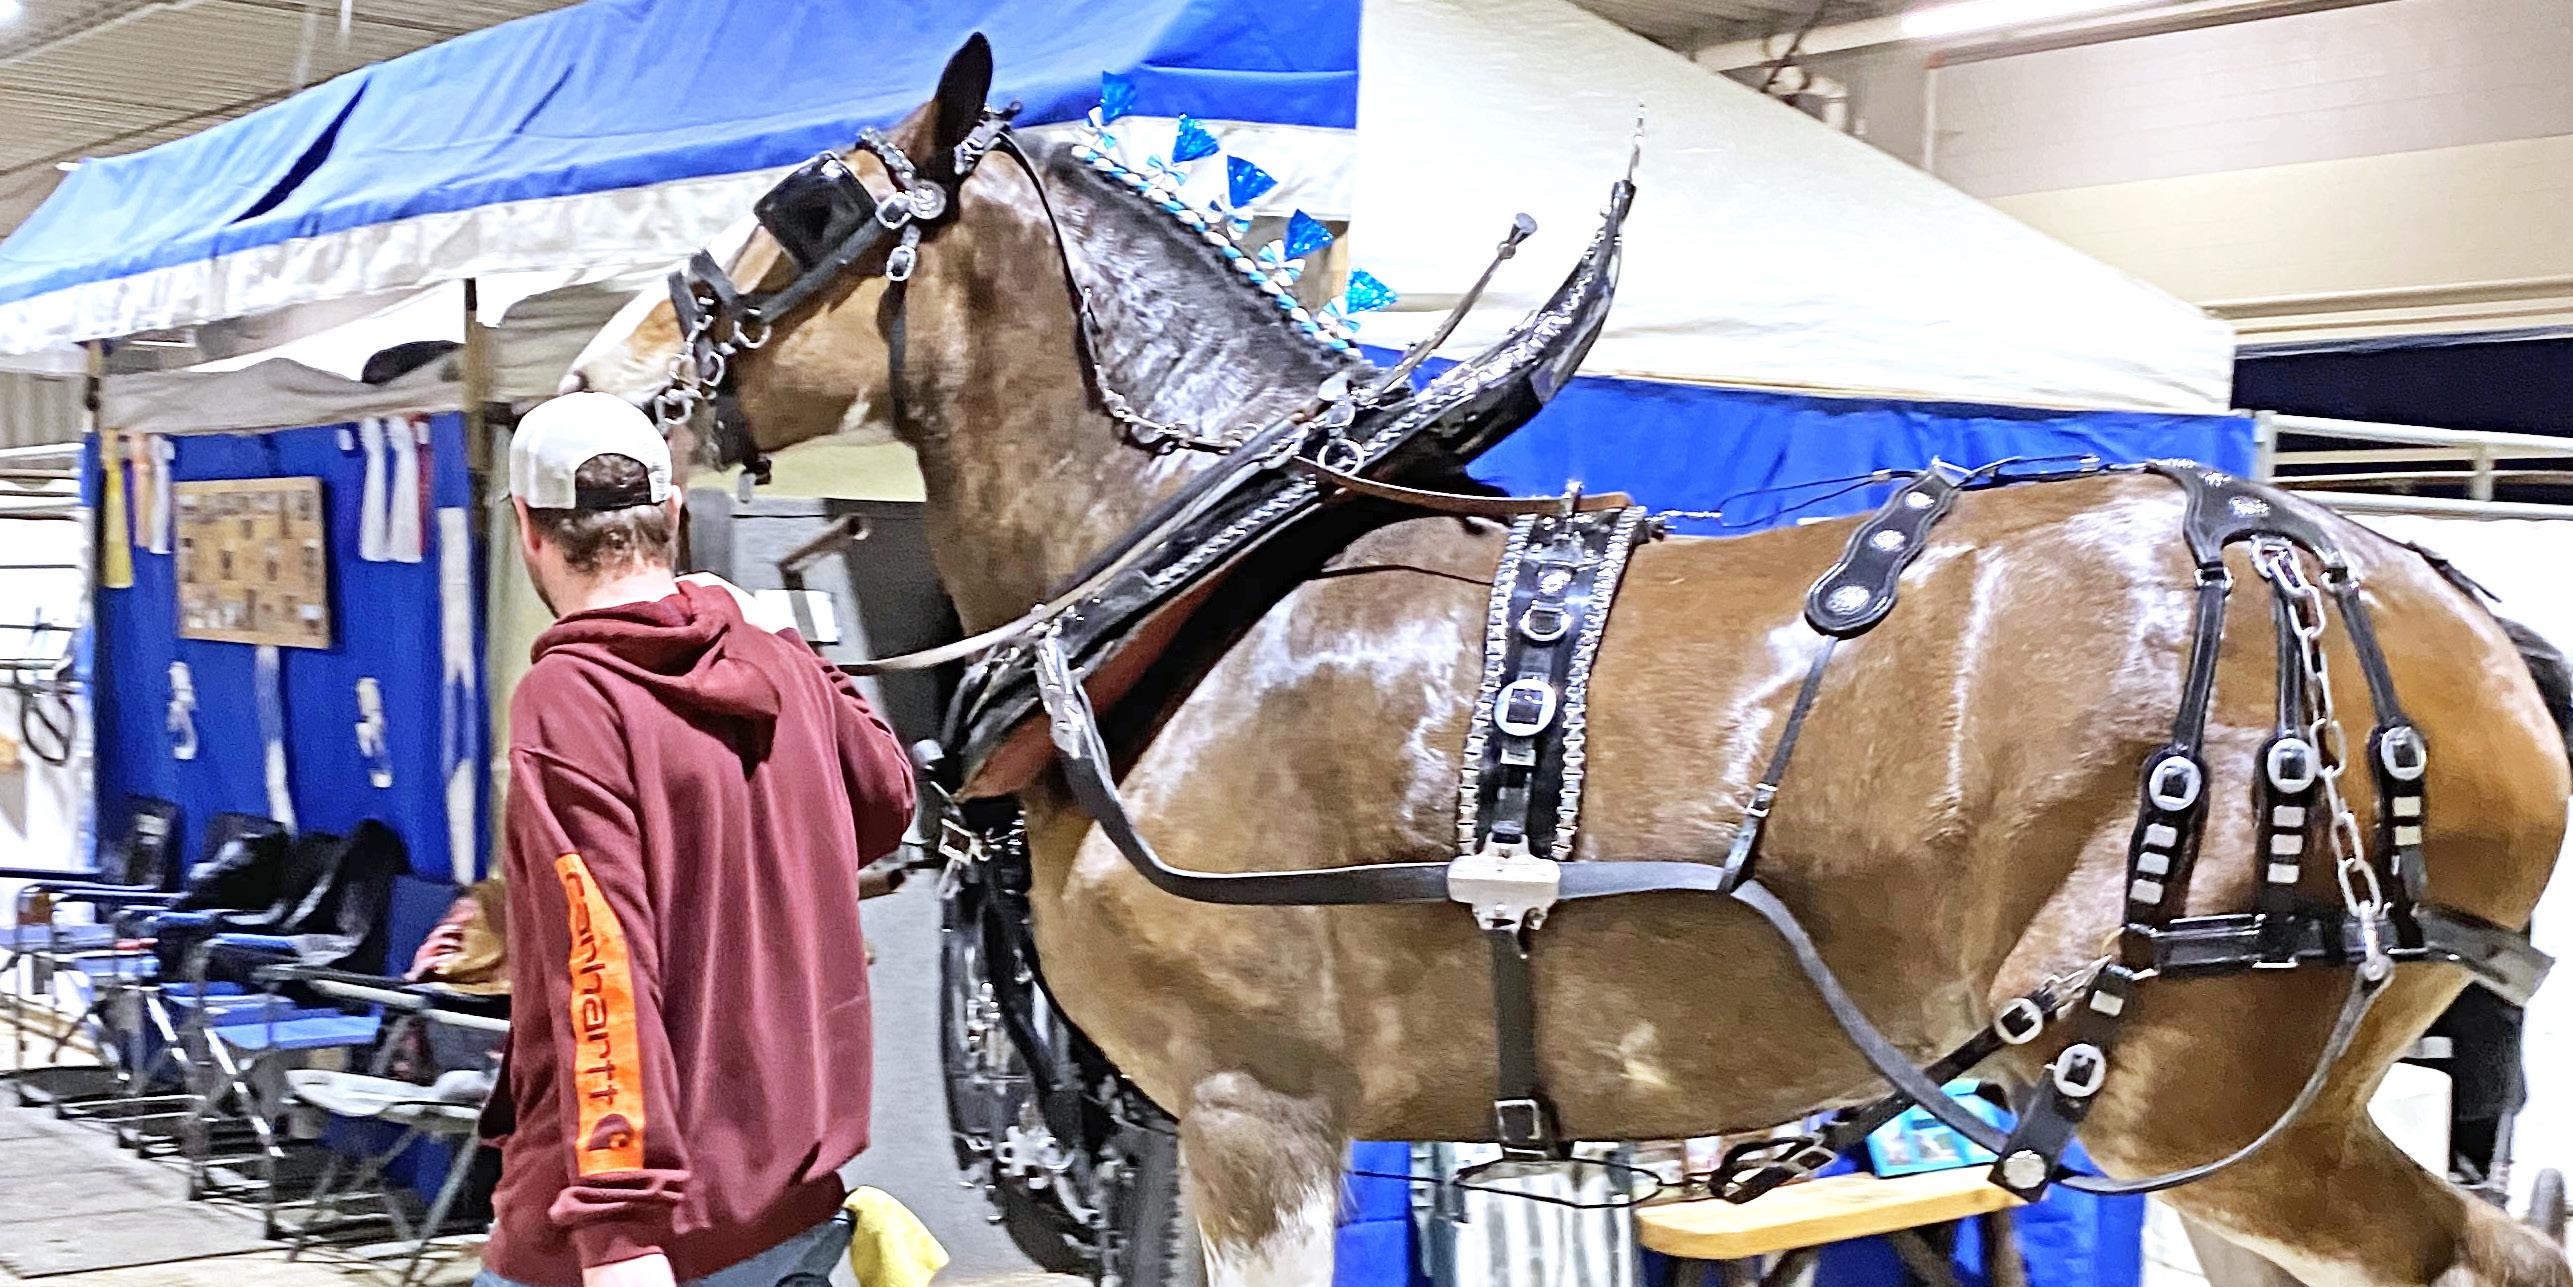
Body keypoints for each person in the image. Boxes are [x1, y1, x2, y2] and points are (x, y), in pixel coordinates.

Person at [476, 393, 916, 1287]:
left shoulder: (571, 699)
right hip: (791, 1210)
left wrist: (618, 1230)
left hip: (638, 1244)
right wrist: (793, 645)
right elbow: (886, 799)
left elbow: (600, 956)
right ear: (672, 512)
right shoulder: (776, 657)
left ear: (527, 526)